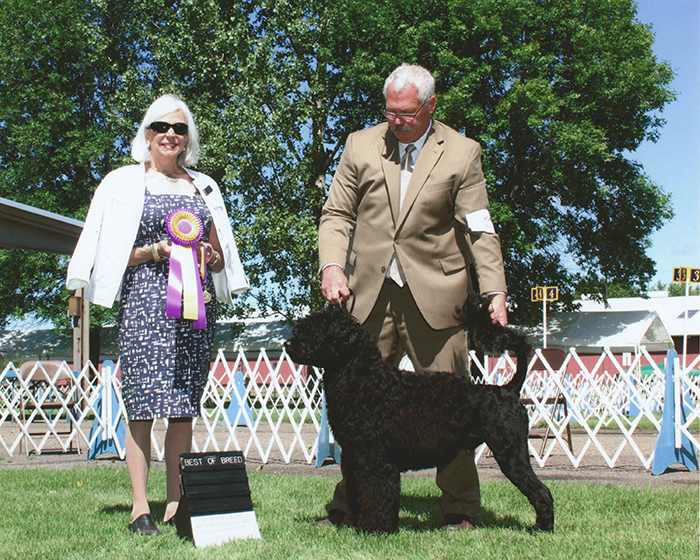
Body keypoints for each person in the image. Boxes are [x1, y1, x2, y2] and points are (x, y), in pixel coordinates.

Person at [318, 64, 508, 530]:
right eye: (390, 112)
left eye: (406, 113)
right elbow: (336, 213)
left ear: (430, 106)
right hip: (367, 295)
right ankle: (351, 505)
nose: (396, 121)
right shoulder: (359, 145)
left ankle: (459, 508)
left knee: (453, 406)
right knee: (356, 411)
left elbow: (479, 229)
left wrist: (495, 290)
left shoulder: (463, 153)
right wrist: (332, 266)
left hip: (439, 295)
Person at [66, 94, 249, 535]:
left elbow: (221, 256)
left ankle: (175, 502)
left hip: (194, 309)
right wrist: (154, 251)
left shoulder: (203, 186)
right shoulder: (123, 183)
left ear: (188, 139)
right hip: (146, 304)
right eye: (162, 127)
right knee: (143, 407)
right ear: (147, 134)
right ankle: (138, 507)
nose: (171, 134)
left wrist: (207, 254)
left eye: (180, 128)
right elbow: (109, 257)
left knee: (183, 407)